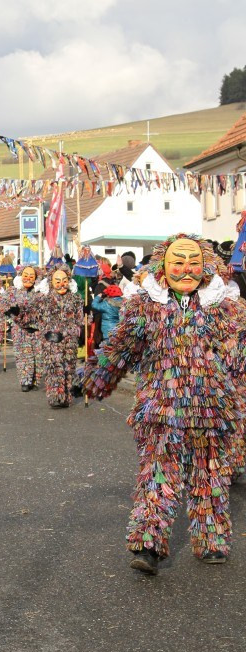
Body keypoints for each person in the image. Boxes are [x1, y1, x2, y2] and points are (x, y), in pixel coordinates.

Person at [83, 235, 246, 574]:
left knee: (210, 476)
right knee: (158, 477)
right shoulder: (145, 306)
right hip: (160, 410)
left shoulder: (226, 308)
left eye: (193, 262)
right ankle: (148, 545)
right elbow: (121, 347)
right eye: (178, 261)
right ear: (163, 265)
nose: (186, 269)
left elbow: (239, 354)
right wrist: (95, 378)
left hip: (213, 411)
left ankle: (211, 540)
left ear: (205, 267)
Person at [33, 267, 84, 408]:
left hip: (69, 340)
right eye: (57, 281)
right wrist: (45, 333)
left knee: (68, 368)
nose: (61, 284)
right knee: (54, 367)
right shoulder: (43, 299)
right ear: (51, 282)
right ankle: (55, 396)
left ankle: (66, 397)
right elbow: (38, 319)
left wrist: (84, 321)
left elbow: (79, 319)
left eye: (64, 281)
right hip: (52, 339)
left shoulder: (76, 298)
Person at [9, 265, 42, 391]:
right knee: (23, 355)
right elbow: (4, 305)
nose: (28, 278)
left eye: (31, 276)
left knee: (38, 356)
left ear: (36, 278)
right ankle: (25, 380)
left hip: (37, 329)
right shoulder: (14, 291)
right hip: (20, 329)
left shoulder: (40, 293)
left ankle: (34, 379)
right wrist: (11, 311)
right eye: (26, 275)